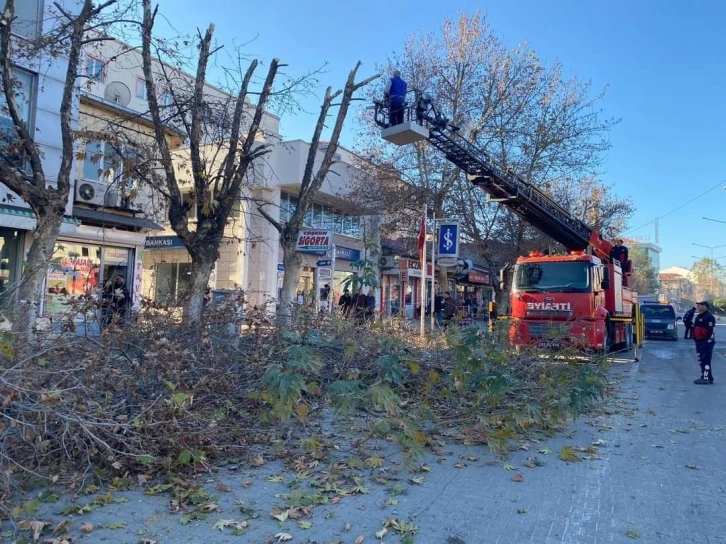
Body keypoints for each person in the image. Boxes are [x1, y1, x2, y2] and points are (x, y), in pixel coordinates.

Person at [693, 301, 716, 385]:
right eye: (698, 306)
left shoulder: (709, 317)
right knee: (701, 360)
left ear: (706, 307)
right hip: (699, 342)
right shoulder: (699, 316)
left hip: (706, 343)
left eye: (700, 305)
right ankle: (708, 376)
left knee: (706, 360)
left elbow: (711, 331)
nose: (698, 307)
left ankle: (705, 378)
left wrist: (707, 342)